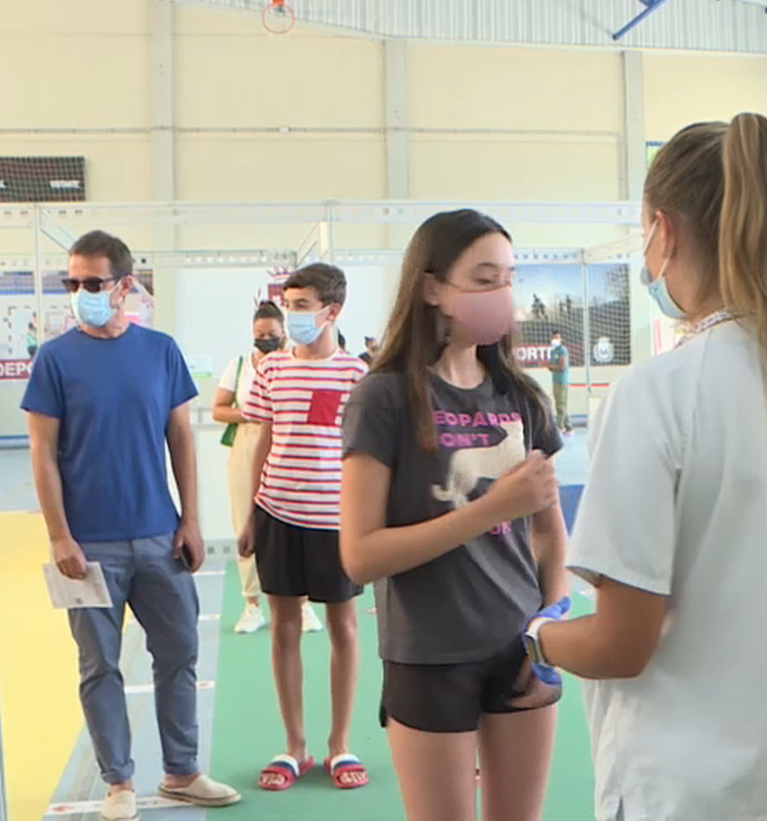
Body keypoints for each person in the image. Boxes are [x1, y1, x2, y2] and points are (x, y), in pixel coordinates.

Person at [521, 114, 767, 821]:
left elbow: (622, 643)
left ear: (665, 232)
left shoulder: (654, 394)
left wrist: (539, 638)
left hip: (685, 789)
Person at [340, 209, 569, 821]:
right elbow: (360, 554)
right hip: (429, 655)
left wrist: (548, 626)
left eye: (509, 278)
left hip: (520, 649)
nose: (502, 294)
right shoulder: (384, 397)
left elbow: (550, 537)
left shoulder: (522, 398)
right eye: (484, 278)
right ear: (433, 287)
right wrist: (487, 510)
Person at [23, 230, 241, 821]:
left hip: (158, 535)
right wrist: (59, 535)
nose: (80, 294)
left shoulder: (161, 352)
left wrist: (191, 519)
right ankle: (118, 783)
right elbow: (42, 453)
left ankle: (182, 771)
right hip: (88, 545)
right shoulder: (55, 359)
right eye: (72, 283)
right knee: (100, 667)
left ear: (124, 286)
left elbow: (180, 439)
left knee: (179, 653)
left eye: (92, 283)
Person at [236, 263, 372, 793]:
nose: (290, 315)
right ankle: (296, 745)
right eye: (287, 304)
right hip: (278, 515)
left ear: (331, 311)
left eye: (299, 306)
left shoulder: (357, 374)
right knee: (284, 626)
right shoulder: (271, 371)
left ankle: (341, 744)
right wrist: (251, 513)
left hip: (337, 522)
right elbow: (262, 442)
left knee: (344, 627)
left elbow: (366, 456)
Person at [211, 301, 324, 636]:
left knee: (295, 523)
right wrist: (252, 411)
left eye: (272, 334)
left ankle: (303, 605)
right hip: (248, 441)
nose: (265, 340)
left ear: (284, 332)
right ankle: (252, 604)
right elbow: (219, 409)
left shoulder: (297, 364)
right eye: (259, 335)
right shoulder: (240, 365)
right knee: (246, 523)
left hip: (290, 445)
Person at [546, 331, 573, 434]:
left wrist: (551, 366)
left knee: (560, 405)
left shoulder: (563, 350)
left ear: (561, 339)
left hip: (562, 381)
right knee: (560, 404)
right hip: (555, 380)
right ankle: (569, 426)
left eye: (557, 338)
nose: (555, 340)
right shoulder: (553, 351)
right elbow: (553, 367)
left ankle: (560, 427)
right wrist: (549, 366)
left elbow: (562, 367)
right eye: (553, 338)